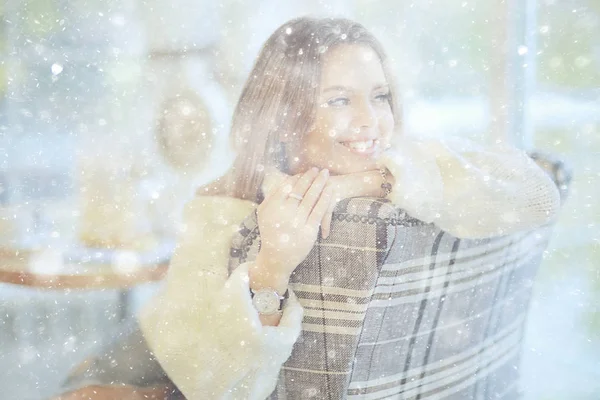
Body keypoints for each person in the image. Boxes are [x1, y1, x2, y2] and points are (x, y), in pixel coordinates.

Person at [56, 16, 560, 399]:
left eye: (379, 96)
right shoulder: (226, 209)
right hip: (156, 351)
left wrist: (369, 182)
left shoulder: (406, 169)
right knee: (80, 386)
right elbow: (211, 381)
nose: (370, 121)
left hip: (176, 345)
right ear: (283, 115)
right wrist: (271, 266)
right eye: (339, 101)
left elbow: (541, 192)